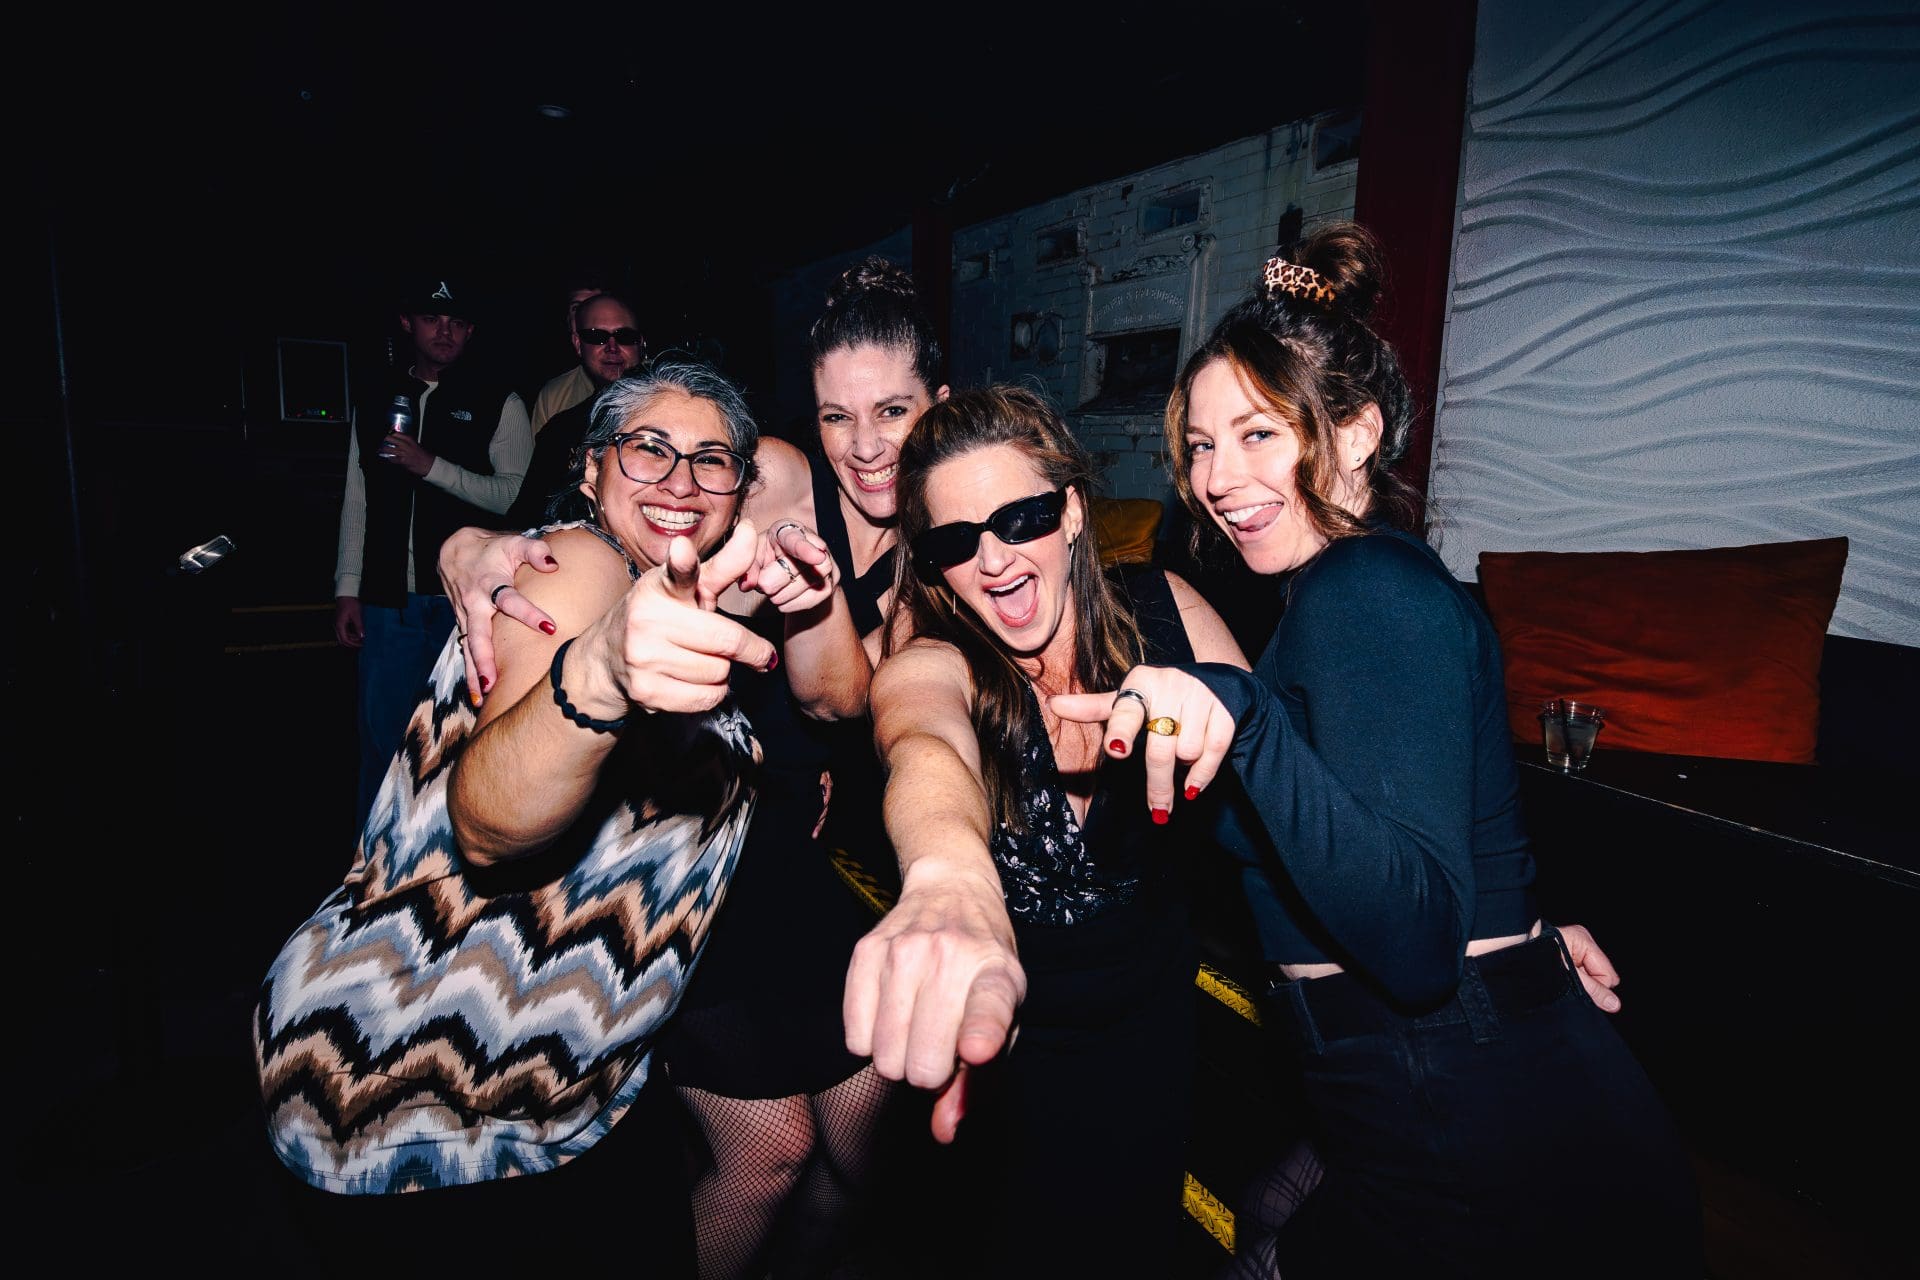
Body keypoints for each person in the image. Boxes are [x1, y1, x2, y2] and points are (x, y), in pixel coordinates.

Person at [1049, 224, 1703, 1276]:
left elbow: (1416, 941)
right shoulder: (1340, 592)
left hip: (1460, 1091)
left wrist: (1244, 717)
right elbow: (1398, 835)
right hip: (1421, 1070)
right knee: (1267, 1214)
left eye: (1258, 434)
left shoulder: (1366, 591)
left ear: (1355, 434)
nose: (1217, 477)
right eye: (1202, 445)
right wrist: (1525, 930)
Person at [256, 362, 860, 1272]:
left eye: (711, 460)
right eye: (648, 449)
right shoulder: (575, 568)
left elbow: (835, 697)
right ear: (589, 469)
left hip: (552, 1103)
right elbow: (490, 822)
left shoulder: (682, 591)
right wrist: (598, 675)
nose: (681, 480)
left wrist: (806, 596)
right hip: (410, 1089)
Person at [436, 258, 947, 1279]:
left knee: (865, 1131)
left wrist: (818, 614)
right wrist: (475, 543)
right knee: (768, 1150)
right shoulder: (779, 474)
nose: (865, 445)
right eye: (836, 415)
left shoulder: (947, 524)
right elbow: (634, 512)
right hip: (686, 814)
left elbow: (845, 702)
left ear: (939, 400)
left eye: (893, 411)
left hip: (794, 821)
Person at [842, 385, 1250, 1277]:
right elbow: (923, 749)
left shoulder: (1167, 613)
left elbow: (1288, 782)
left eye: (1019, 519)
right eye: (955, 542)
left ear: (1069, 512)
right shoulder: (935, 662)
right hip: (1009, 1049)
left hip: (1152, 1039)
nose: (992, 560)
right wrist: (948, 880)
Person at [333, 275, 533, 829]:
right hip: (387, 602)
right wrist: (347, 589)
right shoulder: (376, 396)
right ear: (407, 324)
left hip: (464, 605)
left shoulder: (500, 399)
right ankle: (376, 863)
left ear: (471, 331)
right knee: (383, 746)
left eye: (457, 322)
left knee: (463, 744)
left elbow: (515, 497)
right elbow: (357, 499)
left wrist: (430, 467)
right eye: (431, 319)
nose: (444, 331)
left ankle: (452, 857)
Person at [505, 291, 648, 530]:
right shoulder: (560, 432)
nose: (612, 347)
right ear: (578, 344)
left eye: (624, 336)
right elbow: (525, 519)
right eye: (597, 337)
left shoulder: (677, 412)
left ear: (640, 343)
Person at [528, 273, 627, 434]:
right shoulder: (553, 396)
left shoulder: (656, 384)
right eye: (576, 308)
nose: (585, 314)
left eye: (595, 304)